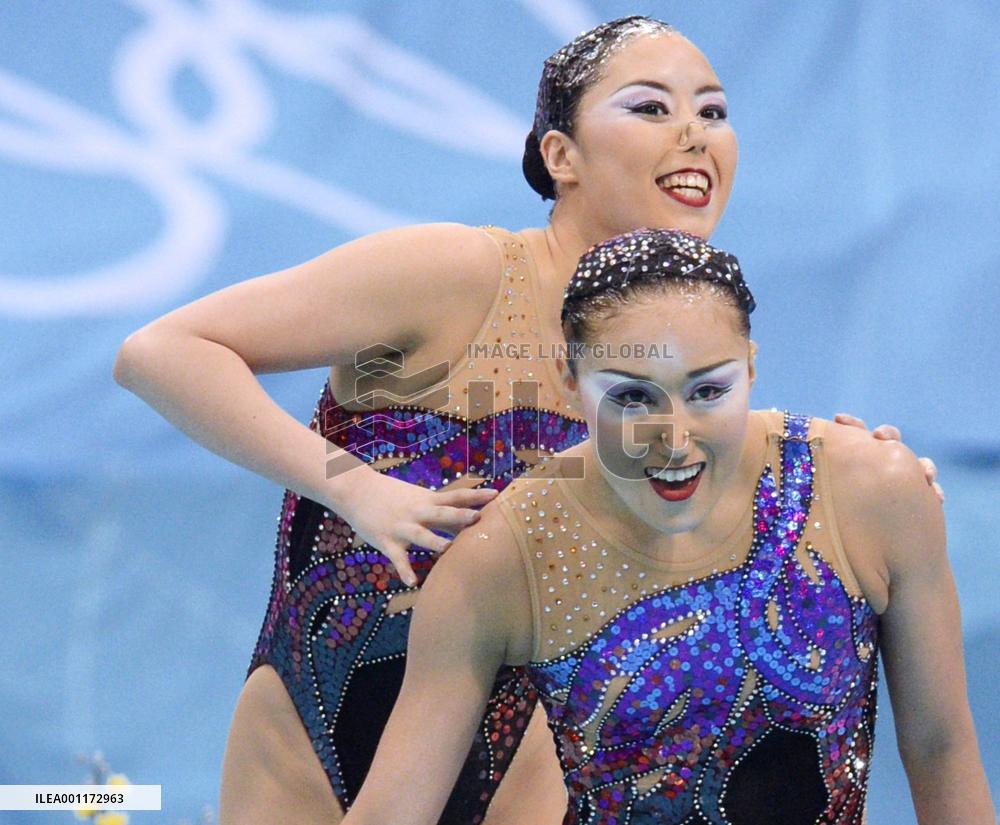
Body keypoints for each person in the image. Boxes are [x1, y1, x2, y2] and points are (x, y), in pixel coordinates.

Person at [111, 16, 943, 825]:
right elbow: (163, 352)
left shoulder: (688, 367)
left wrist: (871, 482)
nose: (694, 133)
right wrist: (356, 487)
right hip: (309, 718)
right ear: (560, 155)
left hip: (526, 757)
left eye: (714, 111)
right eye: (652, 106)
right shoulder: (455, 275)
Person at [340, 228, 994, 825]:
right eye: (632, 397)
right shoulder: (504, 560)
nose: (675, 440)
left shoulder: (867, 492)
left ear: (751, 367)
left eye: (708, 391)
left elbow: (939, 749)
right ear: (569, 382)